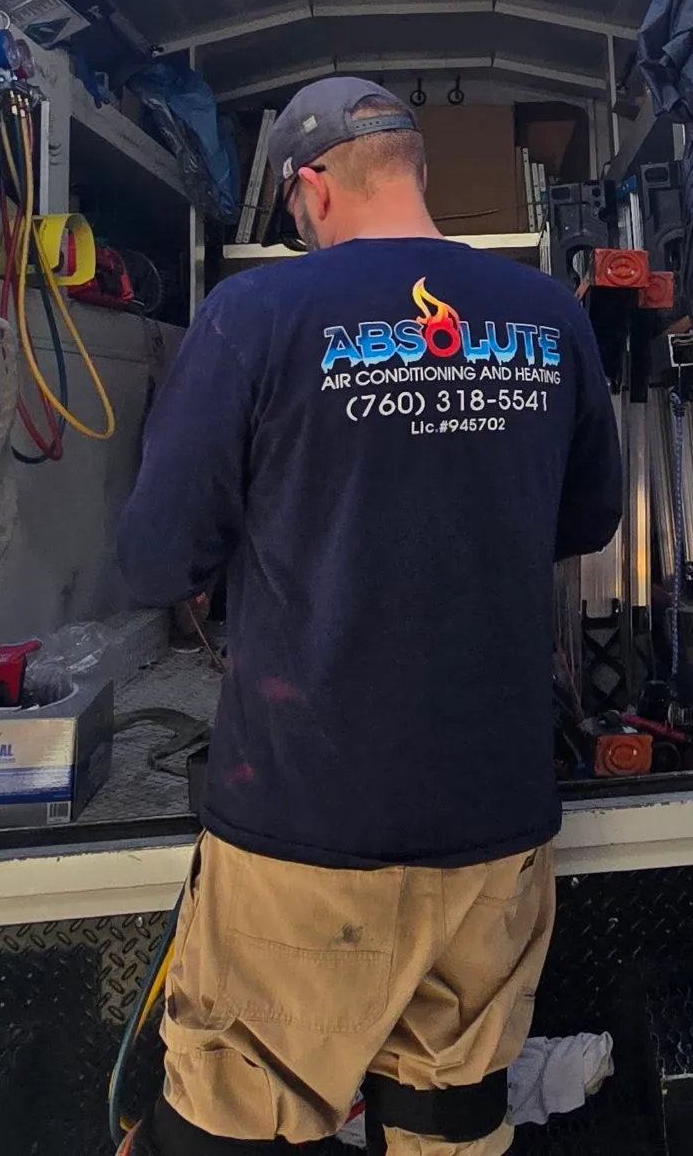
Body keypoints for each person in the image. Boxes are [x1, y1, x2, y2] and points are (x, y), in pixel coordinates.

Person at [116, 76, 624, 1156]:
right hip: (493, 821)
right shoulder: (548, 316)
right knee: (451, 1117)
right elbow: (584, 518)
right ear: (413, 171)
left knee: (234, 1117)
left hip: (307, 821)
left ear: (310, 187)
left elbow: (159, 555)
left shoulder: (253, 314)